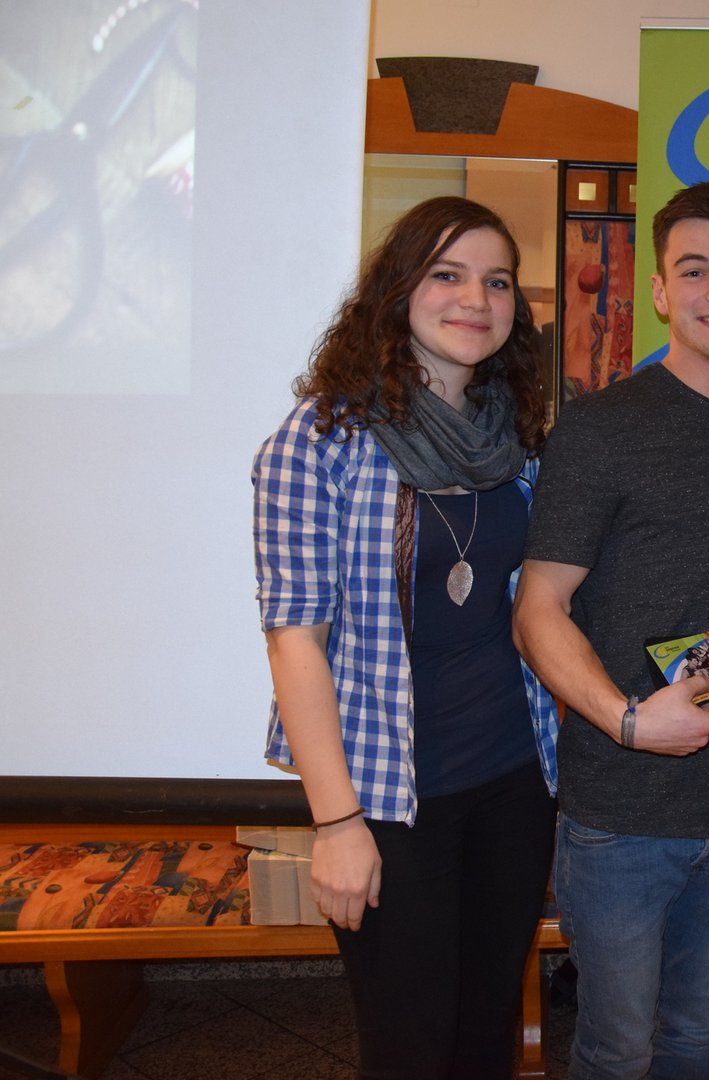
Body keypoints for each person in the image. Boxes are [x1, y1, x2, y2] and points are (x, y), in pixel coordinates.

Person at [513, 180, 709, 1080]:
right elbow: (537, 611)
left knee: (693, 1041)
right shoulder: (599, 430)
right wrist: (628, 722)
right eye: (694, 270)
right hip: (621, 817)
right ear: (658, 290)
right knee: (616, 1050)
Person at [252, 196, 558, 1079]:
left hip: (515, 779)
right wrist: (337, 822)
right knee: (407, 1046)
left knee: (487, 1031)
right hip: (389, 799)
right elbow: (294, 641)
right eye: (447, 274)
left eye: (497, 281)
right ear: (398, 289)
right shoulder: (322, 441)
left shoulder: (519, 438)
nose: (475, 299)